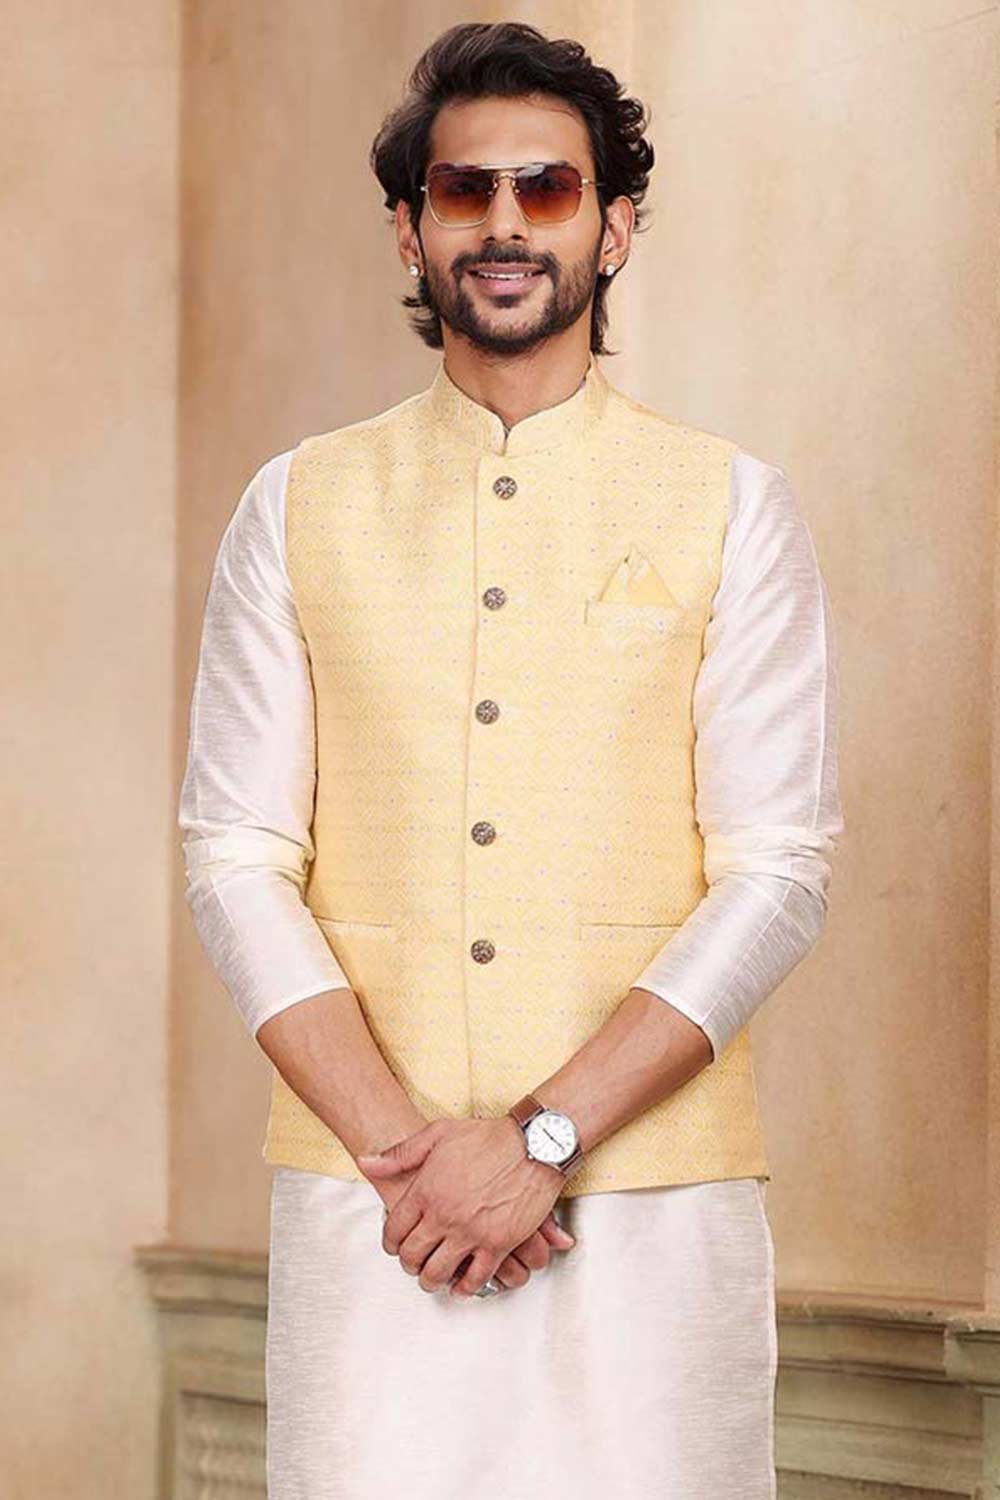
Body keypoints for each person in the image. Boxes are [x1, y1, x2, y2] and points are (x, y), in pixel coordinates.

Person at [178, 20, 844, 1498]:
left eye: (546, 188)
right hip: (374, 1210)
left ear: (616, 227)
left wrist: (540, 1141)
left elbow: (778, 875)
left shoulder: (732, 505)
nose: (503, 222)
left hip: (655, 1209)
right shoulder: (295, 504)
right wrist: (412, 1158)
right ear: (409, 230)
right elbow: (235, 858)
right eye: (462, 189)